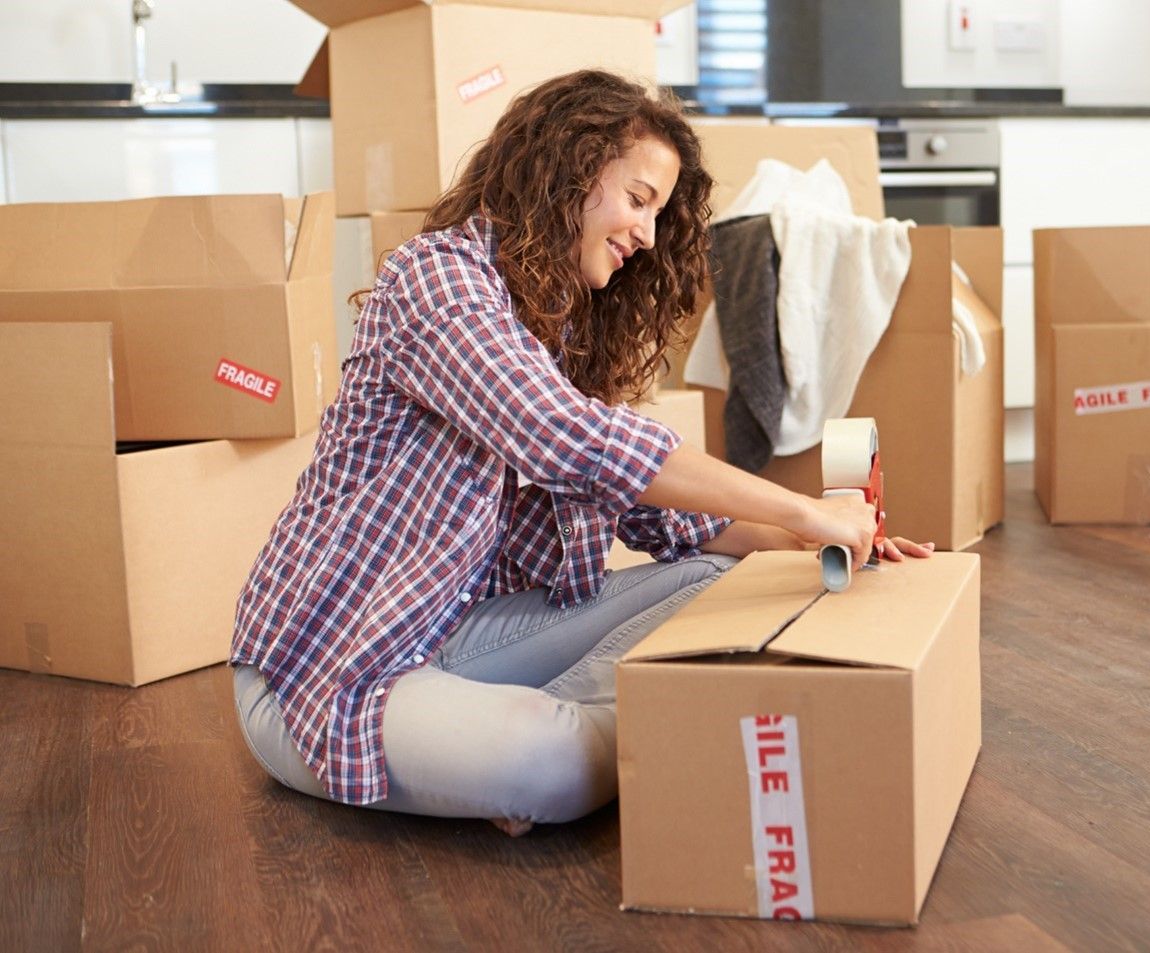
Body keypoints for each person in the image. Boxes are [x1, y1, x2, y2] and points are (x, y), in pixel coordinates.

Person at [230, 69, 934, 836]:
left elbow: (672, 522)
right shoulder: (436, 280)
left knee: (715, 576)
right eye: (638, 200)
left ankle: (561, 733)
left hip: (456, 633)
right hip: (334, 668)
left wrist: (819, 543)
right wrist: (799, 503)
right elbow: (565, 437)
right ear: (567, 171)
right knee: (552, 762)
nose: (647, 234)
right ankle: (570, 740)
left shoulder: (555, 334)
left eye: (659, 214)